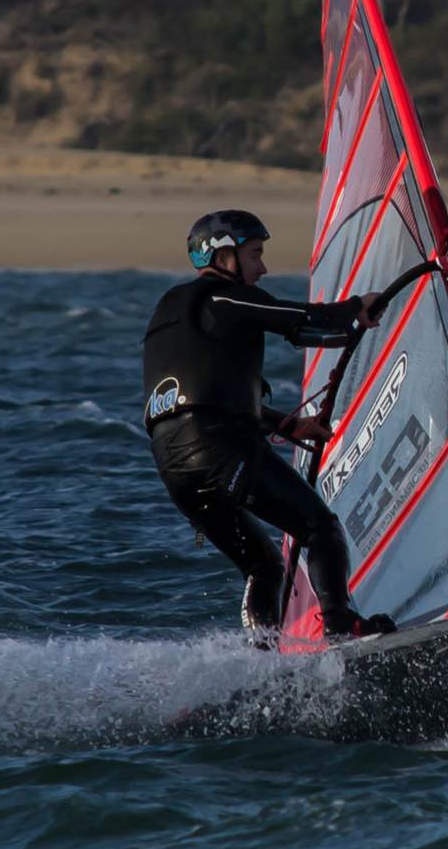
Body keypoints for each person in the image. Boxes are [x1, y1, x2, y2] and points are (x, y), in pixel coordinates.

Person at [142, 209, 397, 643]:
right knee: (320, 528)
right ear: (224, 256)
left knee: (263, 566)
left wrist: (290, 426)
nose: (262, 268)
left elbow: (202, 396)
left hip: (173, 466)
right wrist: (355, 307)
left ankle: (261, 659)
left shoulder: (168, 313)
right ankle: (340, 626)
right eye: (255, 255)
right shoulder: (222, 298)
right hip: (220, 448)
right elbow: (292, 315)